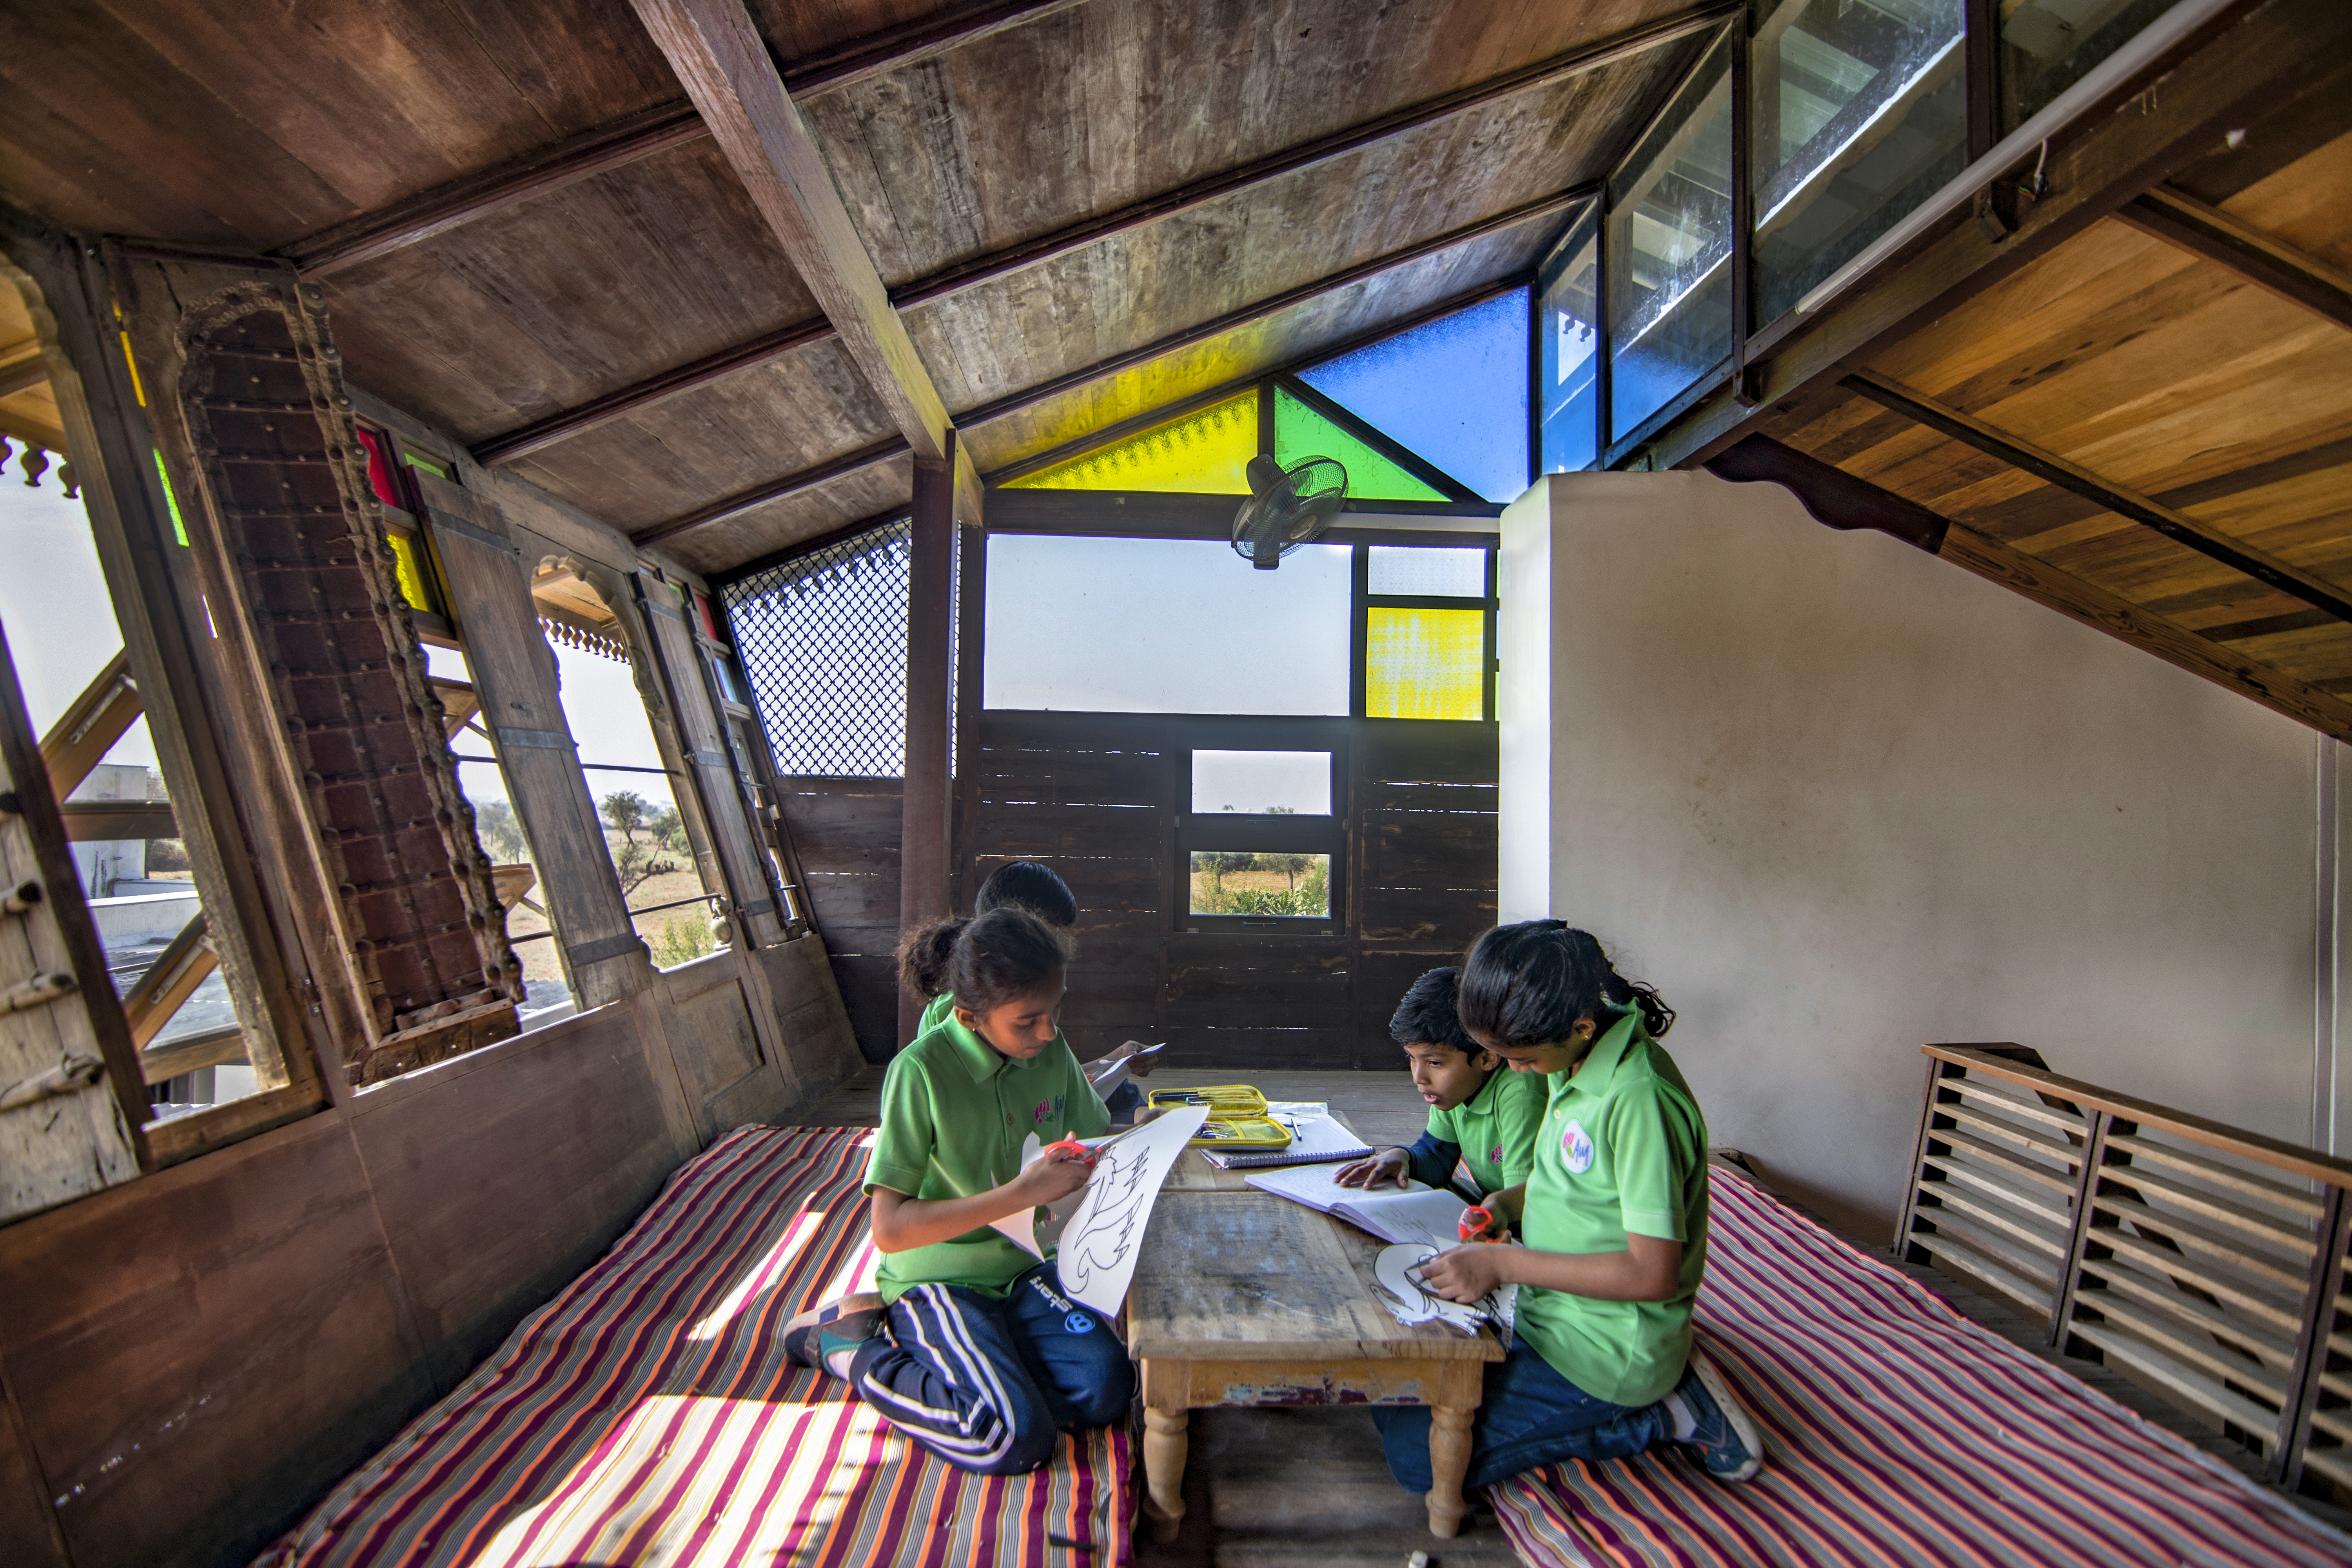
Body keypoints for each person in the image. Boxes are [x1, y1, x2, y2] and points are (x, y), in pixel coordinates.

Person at [1372, 921, 1764, 1495]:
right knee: (1391, 1392)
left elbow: (1652, 1272)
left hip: (1601, 1350)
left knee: (1418, 1461)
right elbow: (1574, 1187)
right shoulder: (1575, 1058)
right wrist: (1506, 1204)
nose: (1513, 1072)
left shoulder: (1638, 1102)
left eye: (1521, 1059)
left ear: (1579, 1026)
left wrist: (1501, 1266)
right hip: (1544, 1309)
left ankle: (1665, 1415)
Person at [781, 906, 1133, 1474]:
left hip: (1024, 1267)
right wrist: (1022, 1193)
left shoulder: (1050, 1049)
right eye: (1027, 1022)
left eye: (1055, 1011)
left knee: (1108, 1393)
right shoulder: (918, 1072)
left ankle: (989, 1363)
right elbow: (890, 1230)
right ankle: (850, 1350)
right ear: (970, 1018)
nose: (1048, 1033)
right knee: (1009, 1440)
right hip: (940, 1278)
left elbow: (1091, 1132)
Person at [915, 860, 1158, 1119]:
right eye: (1047, 933)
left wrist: (1117, 1060)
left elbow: (1042, 1074)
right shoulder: (965, 1005)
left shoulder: (1029, 1005)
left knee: (1123, 1094)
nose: (1053, 945)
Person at [1333, 966, 1542, 1203]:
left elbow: (1527, 1203)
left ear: (1487, 1058)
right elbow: (1437, 1157)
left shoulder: (1521, 1097)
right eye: (1412, 1058)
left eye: (1434, 1062)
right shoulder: (1456, 1090)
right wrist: (1402, 1156)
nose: (1418, 1077)